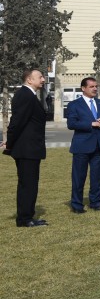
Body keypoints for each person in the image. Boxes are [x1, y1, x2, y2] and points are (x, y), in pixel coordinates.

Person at [2, 68, 49, 227]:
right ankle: (25, 219)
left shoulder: (28, 95)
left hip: (29, 148)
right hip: (26, 149)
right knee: (28, 185)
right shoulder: (25, 95)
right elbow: (17, 122)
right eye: (40, 77)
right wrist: (9, 143)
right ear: (29, 79)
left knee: (28, 184)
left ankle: (26, 216)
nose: (43, 80)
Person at [66, 77, 100, 213]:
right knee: (78, 178)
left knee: (97, 178)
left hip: (99, 146)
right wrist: (90, 124)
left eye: (96, 86)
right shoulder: (74, 105)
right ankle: (76, 205)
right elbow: (71, 124)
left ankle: (95, 203)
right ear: (83, 88)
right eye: (92, 86)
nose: (95, 89)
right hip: (81, 146)